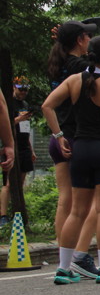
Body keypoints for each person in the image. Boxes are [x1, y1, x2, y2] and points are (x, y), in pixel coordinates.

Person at [43, 36, 100, 284]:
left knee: (77, 211)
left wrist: (59, 135)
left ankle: (63, 268)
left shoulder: (74, 80)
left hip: (80, 148)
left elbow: (47, 105)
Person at [45, 20, 96, 240]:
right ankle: (78, 251)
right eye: (88, 36)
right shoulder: (81, 67)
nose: (90, 40)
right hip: (76, 137)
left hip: (59, 137)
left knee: (65, 199)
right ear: (79, 40)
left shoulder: (57, 63)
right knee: (88, 203)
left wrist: (58, 135)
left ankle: (63, 250)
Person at [1, 78, 34, 225]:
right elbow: (6, 124)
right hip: (11, 146)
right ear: (14, 87)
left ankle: (18, 214)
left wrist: (31, 150)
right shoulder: (8, 103)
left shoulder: (25, 105)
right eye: (21, 89)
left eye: (26, 90)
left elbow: (26, 129)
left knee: (20, 182)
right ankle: (3, 216)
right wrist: (19, 119)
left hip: (24, 146)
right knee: (8, 183)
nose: (23, 92)